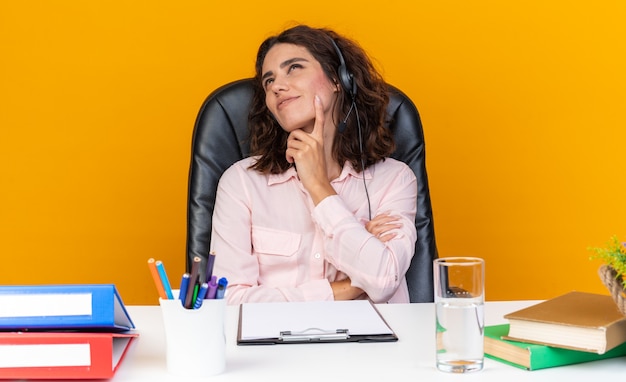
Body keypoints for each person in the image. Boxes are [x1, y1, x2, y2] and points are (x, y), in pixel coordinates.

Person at [210, 24, 417, 304]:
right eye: (268, 81)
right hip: (275, 345)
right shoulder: (241, 182)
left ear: (337, 79)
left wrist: (319, 187)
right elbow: (229, 301)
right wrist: (351, 285)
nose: (277, 87)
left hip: (370, 345)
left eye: (294, 68)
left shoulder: (394, 179)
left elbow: (383, 280)